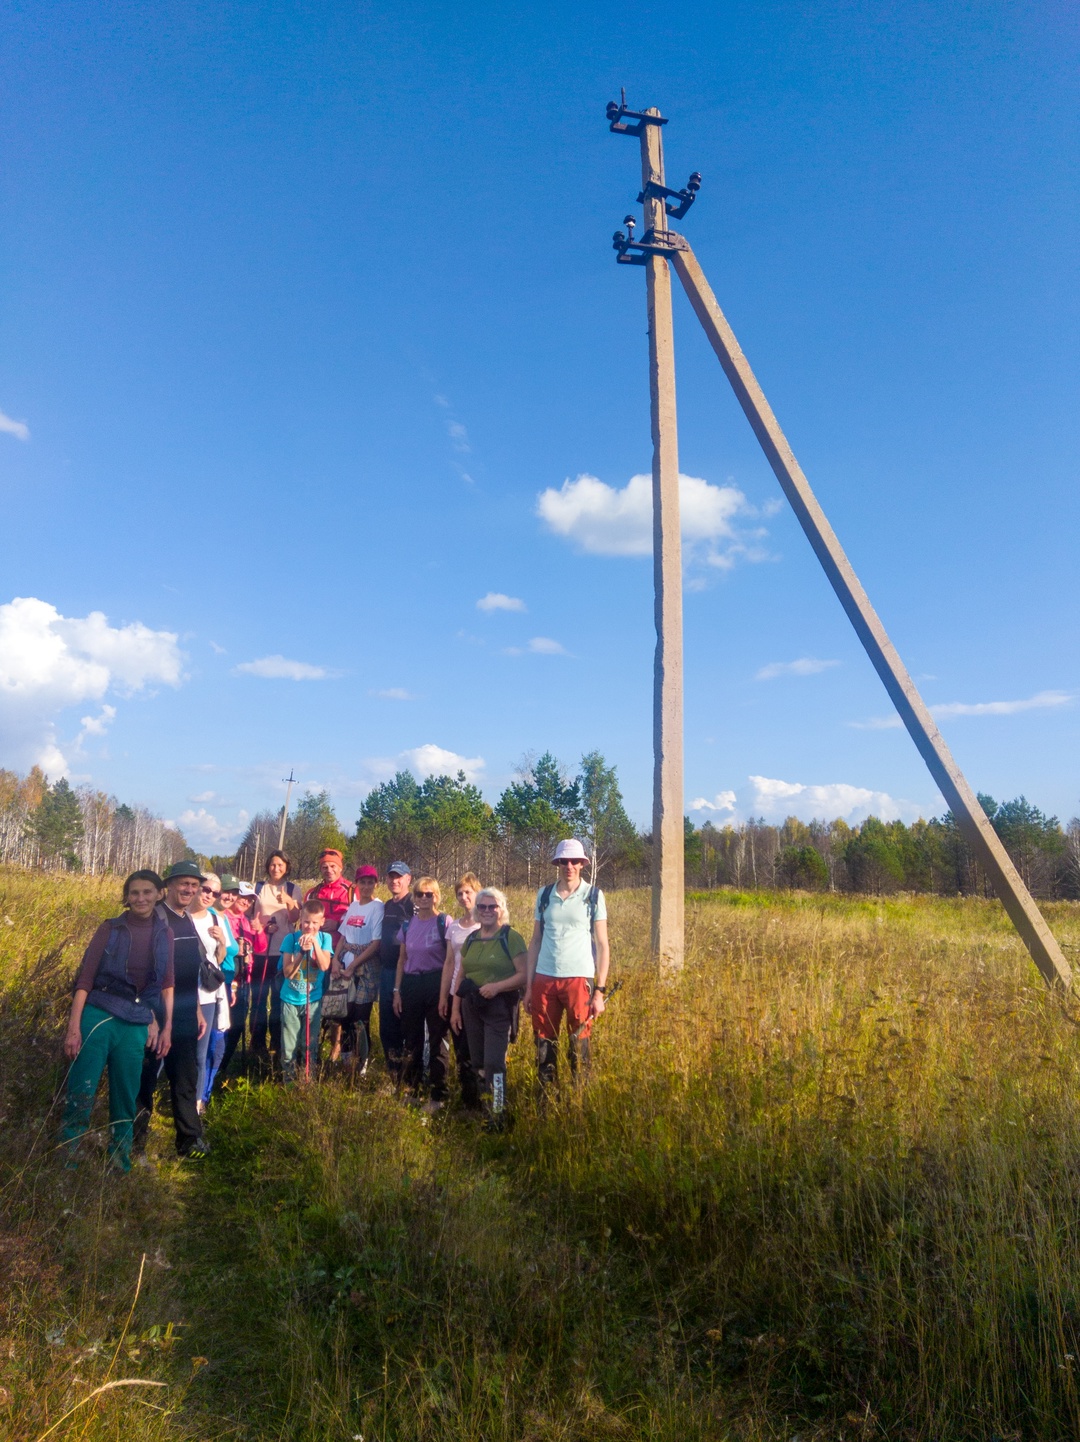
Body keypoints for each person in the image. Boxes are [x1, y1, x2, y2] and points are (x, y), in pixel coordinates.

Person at [60, 870, 174, 1172]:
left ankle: (119, 1162)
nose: (141, 898)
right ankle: (67, 1160)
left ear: (159, 894)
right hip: (99, 1016)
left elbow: (165, 983)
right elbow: (84, 980)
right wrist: (74, 1028)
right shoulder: (110, 928)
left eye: (147, 892)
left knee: (125, 1096)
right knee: (81, 1090)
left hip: (136, 1023)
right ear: (126, 896)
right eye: (134, 892)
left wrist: (165, 1026)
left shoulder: (165, 933)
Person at [133, 860, 210, 1158]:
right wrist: (150, 1017)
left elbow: (190, 972)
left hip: (187, 1014)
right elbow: (143, 972)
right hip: (155, 1014)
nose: (189, 889)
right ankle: (136, 1144)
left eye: (194, 885)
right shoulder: (156, 918)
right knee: (145, 1081)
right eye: (184, 884)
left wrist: (198, 1011)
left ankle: (189, 1141)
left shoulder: (186, 917)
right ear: (169, 885)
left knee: (186, 1079)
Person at [524, 839, 610, 1087]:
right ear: (557, 864)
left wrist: (600, 992)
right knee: (543, 1042)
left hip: (579, 979)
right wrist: (529, 987)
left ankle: (579, 1100)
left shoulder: (593, 895)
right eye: (563, 861)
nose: (568, 866)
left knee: (579, 1042)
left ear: (583, 864)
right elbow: (535, 941)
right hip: (544, 978)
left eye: (574, 861)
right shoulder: (544, 894)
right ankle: (547, 1098)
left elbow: (603, 945)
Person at [451, 887, 527, 1125]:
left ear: (501, 909)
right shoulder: (472, 939)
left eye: (492, 906)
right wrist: (455, 1008)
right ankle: (486, 1110)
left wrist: (497, 987)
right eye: (482, 907)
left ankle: (498, 1113)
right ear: (476, 910)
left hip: (499, 1008)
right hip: (472, 1007)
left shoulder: (510, 938)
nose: (487, 911)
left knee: (495, 1062)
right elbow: (460, 975)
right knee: (479, 1062)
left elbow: (524, 975)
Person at [392, 876, 451, 1109]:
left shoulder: (444, 922)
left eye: (429, 894)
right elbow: (401, 960)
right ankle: (413, 1089)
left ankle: (439, 1094)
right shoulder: (408, 925)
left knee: (438, 1039)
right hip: (412, 983)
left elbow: (450, 960)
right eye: (419, 894)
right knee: (412, 1038)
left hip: (436, 983)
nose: (424, 898)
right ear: (414, 897)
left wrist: (446, 994)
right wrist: (397, 991)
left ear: (436, 896)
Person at [328, 865, 384, 1070]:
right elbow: (344, 935)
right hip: (346, 965)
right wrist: (336, 960)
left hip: (365, 968)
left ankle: (362, 1064)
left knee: (361, 1018)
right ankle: (346, 1060)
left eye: (371, 882)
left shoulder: (378, 907)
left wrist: (353, 965)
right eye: (363, 882)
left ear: (376, 884)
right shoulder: (354, 906)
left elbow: (376, 943)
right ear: (357, 884)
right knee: (345, 1014)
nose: (367, 886)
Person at [278, 899, 333, 1081]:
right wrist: (301, 952)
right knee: (289, 1046)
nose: (310, 927)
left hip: (312, 1000)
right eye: (306, 922)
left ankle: (308, 1080)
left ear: (322, 922)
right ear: (300, 919)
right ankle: (289, 1082)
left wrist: (315, 944)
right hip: (291, 999)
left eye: (315, 923)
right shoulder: (291, 939)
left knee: (309, 1044)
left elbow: (324, 966)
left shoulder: (326, 938)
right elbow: (287, 973)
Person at [254, 850, 301, 1059]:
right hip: (261, 951)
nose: (276, 868)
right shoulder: (257, 888)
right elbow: (250, 918)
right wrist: (264, 927)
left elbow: (295, 918)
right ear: (267, 866)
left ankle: (276, 1042)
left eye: (280, 865)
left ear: (286, 867)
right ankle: (257, 1043)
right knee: (259, 999)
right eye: (273, 864)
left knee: (278, 1001)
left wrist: (289, 901)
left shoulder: (293, 889)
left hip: (284, 952)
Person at [189, 873, 230, 1112]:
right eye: (206, 889)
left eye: (215, 893)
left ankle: (196, 1103)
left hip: (207, 994)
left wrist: (223, 941)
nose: (209, 896)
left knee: (200, 1052)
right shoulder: (181, 916)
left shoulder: (215, 918)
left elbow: (219, 959)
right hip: (182, 992)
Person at [439, 872, 481, 1109]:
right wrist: (443, 997)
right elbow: (449, 963)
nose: (464, 897)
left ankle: (483, 1101)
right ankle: (468, 1102)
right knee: (461, 1049)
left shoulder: (486, 924)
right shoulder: (454, 927)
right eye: (460, 893)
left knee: (479, 1050)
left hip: (480, 994)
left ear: (477, 893)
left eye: (468, 892)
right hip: (456, 993)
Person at [377, 861, 413, 1080]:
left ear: (408, 878)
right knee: (387, 1026)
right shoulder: (387, 905)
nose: (394, 880)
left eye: (399, 876)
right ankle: (393, 1074)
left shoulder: (414, 903)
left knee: (407, 1024)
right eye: (391, 876)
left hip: (408, 973)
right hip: (386, 971)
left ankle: (411, 1076)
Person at [305, 849, 354, 945]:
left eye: (333, 866)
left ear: (340, 868)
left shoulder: (352, 891)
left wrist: (338, 925)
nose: (329, 870)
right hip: (317, 948)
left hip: (344, 948)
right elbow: (304, 921)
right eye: (324, 867)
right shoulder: (312, 893)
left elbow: (362, 920)